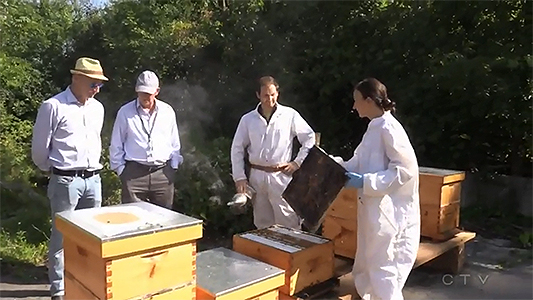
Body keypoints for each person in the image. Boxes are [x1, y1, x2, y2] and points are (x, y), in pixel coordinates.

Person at [331, 78, 420, 300]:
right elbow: (357, 163)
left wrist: (366, 182)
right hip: (374, 212)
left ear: (369, 100)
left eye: (356, 101)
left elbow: (405, 171)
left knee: (384, 271)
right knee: (370, 267)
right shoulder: (374, 128)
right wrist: (331, 164)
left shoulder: (390, 129)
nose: (354, 106)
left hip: (390, 214)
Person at [31, 57, 108, 300]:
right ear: (76, 78)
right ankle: (60, 291)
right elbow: (39, 151)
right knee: (62, 237)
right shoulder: (53, 106)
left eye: (99, 85)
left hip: (93, 180)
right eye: (92, 83)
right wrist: (55, 170)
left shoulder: (98, 108)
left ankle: (85, 287)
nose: (96, 89)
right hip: (65, 181)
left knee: (91, 238)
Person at [230, 76, 316, 229]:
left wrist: (297, 162)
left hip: (281, 176)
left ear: (278, 93)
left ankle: (292, 252)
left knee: (288, 222)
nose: (270, 99)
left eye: (273, 94)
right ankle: (265, 253)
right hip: (257, 177)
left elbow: (309, 138)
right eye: (265, 95)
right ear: (258, 95)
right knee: (262, 224)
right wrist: (239, 178)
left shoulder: (289, 115)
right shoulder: (248, 120)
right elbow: (237, 148)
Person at [109, 70, 183, 209]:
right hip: (133, 174)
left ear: (157, 91)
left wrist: (173, 166)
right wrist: (121, 170)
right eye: (142, 92)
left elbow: (174, 142)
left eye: (148, 93)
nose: (145, 97)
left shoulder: (167, 111)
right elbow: (116, 143)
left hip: (162, 174)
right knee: (132, 219)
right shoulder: (125, 112)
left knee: (164, 219)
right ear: (137, 91)